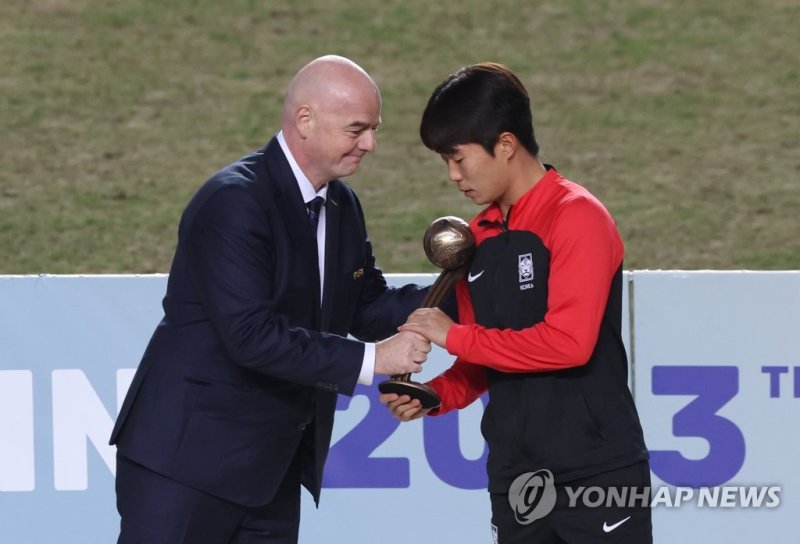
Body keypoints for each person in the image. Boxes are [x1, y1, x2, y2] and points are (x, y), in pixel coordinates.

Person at [110, 54, 431, 544]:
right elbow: (251, 336)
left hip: (269, 474)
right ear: (306, 120)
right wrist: (374, 359)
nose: (371, 143)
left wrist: (461, 291)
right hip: (185, 469)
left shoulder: (341, 205)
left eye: (374, 128)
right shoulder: (234, 202)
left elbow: (366, 306)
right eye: (357, 129)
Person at [381, 63, 652, 543]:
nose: (452, 175)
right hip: (516, 479)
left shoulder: (577, 216)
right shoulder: (476, 238)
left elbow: (568, 344)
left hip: (597, 474)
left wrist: (452, 333)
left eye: (459, 158)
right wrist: (436, 395)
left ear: (505, 145)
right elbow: (489, 358)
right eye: (444, 160)